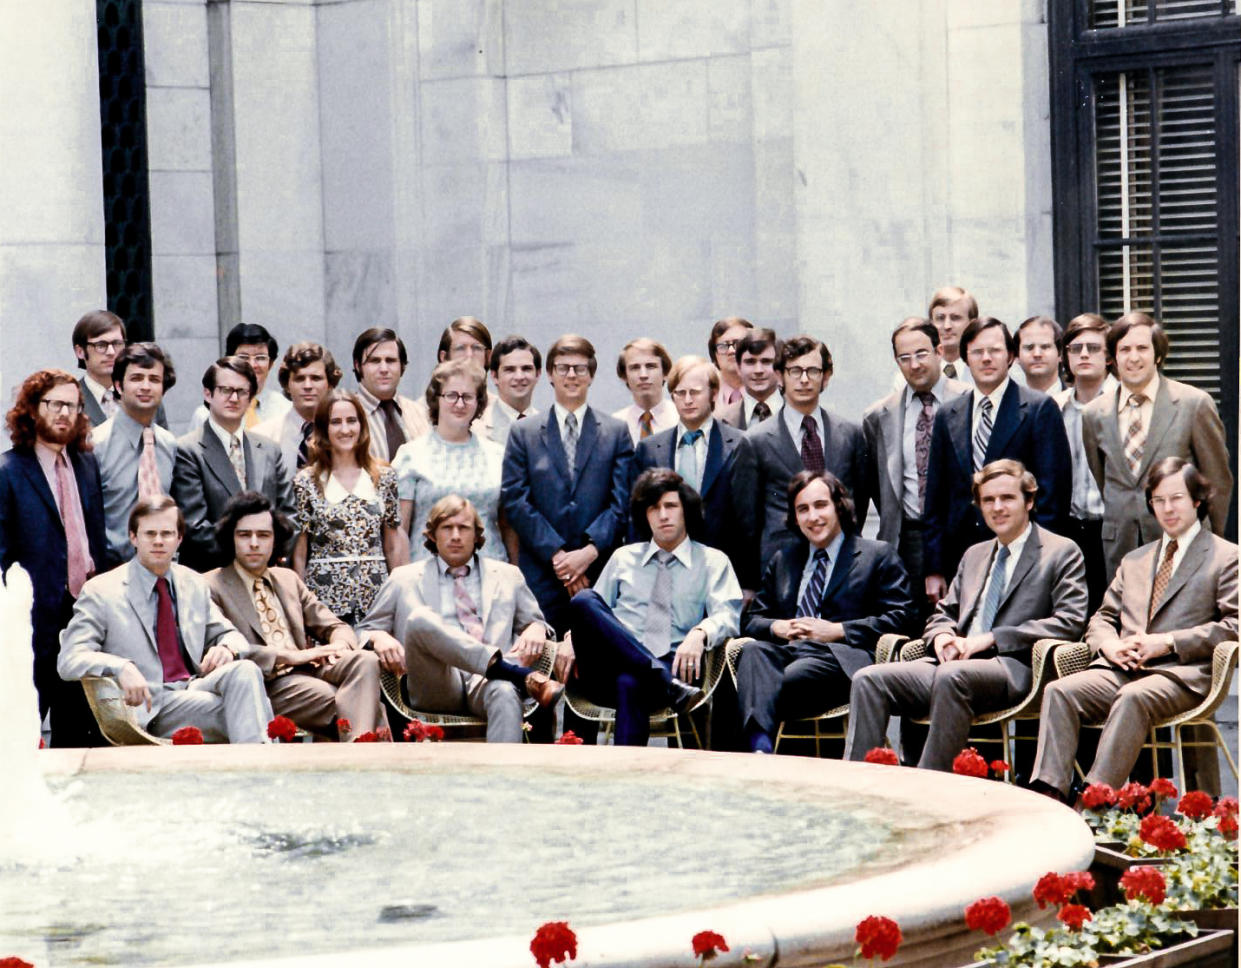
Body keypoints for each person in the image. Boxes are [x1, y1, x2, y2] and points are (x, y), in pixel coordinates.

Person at [844, 460, 1087, 770]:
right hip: (954, 662)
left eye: (1007, 498)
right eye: (988, 500)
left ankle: (929, 786)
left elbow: (1069, 621)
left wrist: (990, 639)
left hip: (1013, 667)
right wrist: (943, 636)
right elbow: (944, 612)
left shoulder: (1061, 551)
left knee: (951, 676)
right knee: (869, 679)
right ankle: (859, 786)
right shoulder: (975, 554)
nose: (997, 507)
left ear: (1029, 501)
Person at [1030, 458, 1237, 799]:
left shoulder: (1225, 556)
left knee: (1132, 697)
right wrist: (1110, 646)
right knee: (1060, 691)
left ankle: (1095, 802)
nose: (1167, 509)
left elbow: (1235, 626)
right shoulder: (1135, 560)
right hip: (1121, 668)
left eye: (1177, 498)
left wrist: (1167, 642)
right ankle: (1049, 797)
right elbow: (1101, 619)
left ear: (1197, 500)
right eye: (1158, 500)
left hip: (1181, 675)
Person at [58, 495, 273, 743]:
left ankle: (251, 769)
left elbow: (233, 636)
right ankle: (258, 773)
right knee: (257, 708)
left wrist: (227, 648)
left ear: (179, 539)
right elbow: (69, 659)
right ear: (133, 538)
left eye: (167, 534)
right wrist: (121, 667)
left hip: (193, 687)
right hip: (150, 705)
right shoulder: (102, 591)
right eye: (150, 534)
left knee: (245, 670)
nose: (159, 541)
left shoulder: (193, 583)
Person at [356, 495, 563, 742]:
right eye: (447, 528)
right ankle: (515, 674)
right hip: (435, 683)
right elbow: (365, 629)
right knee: (419, 619)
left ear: (477, 536)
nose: (455, 536)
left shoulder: (509, 576)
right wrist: (378, 637)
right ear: (432, 535)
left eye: (463, 528)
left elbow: (539, 624)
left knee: (506, 691)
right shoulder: (404, 579)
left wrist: (536, 627)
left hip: (486, 683)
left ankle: (507, 777)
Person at [735, 471, 913, 754]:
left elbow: (902, 616)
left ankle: (760, 743)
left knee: (771, 683)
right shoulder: (785, 560)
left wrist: (837, 631)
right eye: (802, 509)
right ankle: (761, 749)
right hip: (788, 651)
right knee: (753, 654)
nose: (812, 516)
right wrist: (778, 627)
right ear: (795, 518)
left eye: (820, 505)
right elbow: (751, 619)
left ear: (838, 507)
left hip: (841, 658)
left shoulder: (876, 555)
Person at [568, 469, 741, 746]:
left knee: (631, 681)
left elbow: (728, 615)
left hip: (676, 666)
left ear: (686, 510)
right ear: (644, 515)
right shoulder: (623, 558)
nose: (663, 515)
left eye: (670, 506)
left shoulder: (712, 561)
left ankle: (630, 777)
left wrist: (700, 633)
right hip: (610, 671)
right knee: (583, 600)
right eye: (653, 508)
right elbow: (594, 615)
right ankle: (660, 678)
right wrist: (569, 639)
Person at [206, 491, 389, 740]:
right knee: (354, 701)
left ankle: (357, 754)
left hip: (310, 671)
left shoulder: (287, 579)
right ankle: (363, 759)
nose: (254, 543)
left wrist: (339, 646)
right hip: (266, 683)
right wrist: (295, 656)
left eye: (263, 535)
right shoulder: (212, 584)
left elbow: (333, 624)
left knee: (366, 661)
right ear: (231, 538)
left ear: (275, 539)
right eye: (244, 535)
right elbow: (225, 648)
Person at [923, 317, 1072, 604]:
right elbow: (935, 498)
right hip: (960, 556)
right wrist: (934, 567)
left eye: (995, 351)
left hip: (1022, 554)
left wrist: (1041, 564)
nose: (987, 359)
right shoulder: (948, 414)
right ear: (966, 358)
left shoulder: (1039, 409)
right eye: (978, 352)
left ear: (1012, 356)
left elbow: (1053, 497)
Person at [0, 370, 108, 746]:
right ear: (32, 409)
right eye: (55, 404)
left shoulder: (86, 465)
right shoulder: (9, 471)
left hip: (84, 617)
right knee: (24, 731)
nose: (65, 413)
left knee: (80, 736)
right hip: (32, 621)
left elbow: (97, 539)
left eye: (73, 406)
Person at [500, 334, 633, 636]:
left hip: (598, 572)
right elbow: (515, 500)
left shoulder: (616, 431)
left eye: (580, 368)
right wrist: (559, 557)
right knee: (542, 662)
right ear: (548, 374)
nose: (571, 375)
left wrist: (587, 553)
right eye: (563, 368)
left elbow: (622, 502)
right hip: (542, 573)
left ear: (592, 375)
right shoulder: (524, 432)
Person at [1082, 312, 1232, 578]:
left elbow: (1217, 481)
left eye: (1142, 348)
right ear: (1113, 358)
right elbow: (1103, 476)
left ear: (1158, 355)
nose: (1133, 357)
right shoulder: (1095, 414)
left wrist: (1211, 539)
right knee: (1128, 617)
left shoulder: (1193, 403)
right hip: (1121, 547)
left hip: (1185, 543)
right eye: (1124, 349)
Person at [863, 318, 968, 611]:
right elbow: (877, 482)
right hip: (905, 540)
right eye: (904, 358)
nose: (914, 364)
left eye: (921, 354)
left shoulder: (968, 401)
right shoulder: (878, 416)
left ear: (939, 351)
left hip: (961, 537)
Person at [630, 355, 758, 588]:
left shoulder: (740, 444)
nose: (688, 400)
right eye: (680, 393)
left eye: (696, 392)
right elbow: (637, 521)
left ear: (713, 393)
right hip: (664, 569)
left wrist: (748, 582)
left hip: (723, 571)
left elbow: (749, 519)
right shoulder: (649, 449)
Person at [292, 390, 409, 624]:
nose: (345, 429)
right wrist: (300, 610)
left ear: (362, 425)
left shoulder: (383, 477)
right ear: (324, 428)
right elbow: (300, 551)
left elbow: (393, 545)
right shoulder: (306, 481)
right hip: (325, 600)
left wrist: (398, 601)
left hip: (375, 596)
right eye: (336, 422)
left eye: (351, 421)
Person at [749, 335, 868, 565]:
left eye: (812, 371)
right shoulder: (756, 440)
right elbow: (748, 518)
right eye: (795, 371)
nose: (804, 379)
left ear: (826, 377)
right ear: (779, 376)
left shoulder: (851, 434)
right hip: (781, 562)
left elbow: (859, 501)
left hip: (843, 561)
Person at [173, 358, 294, 570]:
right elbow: (194, 526)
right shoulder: (188, 450)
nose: (234, 398)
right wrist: (248, 552)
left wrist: (265, 552)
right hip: (213, 574)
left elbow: (289, 514)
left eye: (242, 391)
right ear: (208, 394)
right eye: (225, 390)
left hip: (267, 572)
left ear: (251, 398)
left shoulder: (269, 449)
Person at [392, 360, 509, 562]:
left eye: (468, 397)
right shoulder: (411, 455)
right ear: (436, 399)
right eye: (451, 395)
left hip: (489, 574)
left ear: (478, 403)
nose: (460, 404)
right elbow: (399, 531)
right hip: (428, 575)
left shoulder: (497, 455)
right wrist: (402, 582)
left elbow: (508, 526)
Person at [91, 342, 179, 567]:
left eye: (154, 379)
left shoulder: (168, 444)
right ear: (119, 386)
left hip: (162, 568)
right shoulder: (95, 444)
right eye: (137, 378)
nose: (146, 386)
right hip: (110, 571)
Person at [1053, 313, 1119, 612]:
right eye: (1075, 348)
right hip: (1067, 529)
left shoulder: (1124, 402)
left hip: (1112, 528)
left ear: (1108, 357)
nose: (1083, 354)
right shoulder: (1055, 407)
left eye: (1093, 348)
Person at [253, 341, 343, 473]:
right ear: (287, 386)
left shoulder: (346, 433)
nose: (307, 386)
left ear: (329, 384)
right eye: (299, 379)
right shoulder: (262, 436)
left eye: (316, 378)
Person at [71, 309, 168, 428]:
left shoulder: (145, 393)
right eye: (101, 345)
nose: (111, 352)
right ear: (80, 351)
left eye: (117, 344)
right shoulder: (70, 399)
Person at [189, 323, 292, 430]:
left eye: (260, 358)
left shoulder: (286, 410)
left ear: (270, 364)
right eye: (243, 357)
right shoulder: (206, 415)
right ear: (229, 362)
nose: (252, 365)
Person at [352, 327, 429, 463]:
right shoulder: (344, 417)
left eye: (390, 360)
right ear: (358, 366)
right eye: (374, 361)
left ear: (402, 366)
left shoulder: (420, 414)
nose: (384, 369)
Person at [612, 338, 677, 444]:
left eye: (651, 366)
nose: (643, 375)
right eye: (635, 368)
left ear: (665, 373)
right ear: (624, 376)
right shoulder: (615, 426)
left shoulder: (680, 419)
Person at [716, 328, 783, 430]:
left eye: (766, 362)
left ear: (779, 367)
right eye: (750, 362)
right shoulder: (718, 422)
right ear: (738, 368)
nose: (758, 370)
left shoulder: (800, 414)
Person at [478, 336, 541, 445]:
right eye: (509, 370)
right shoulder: (476, 429)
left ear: (538, 374)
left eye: (526, 369)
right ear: (494, 377)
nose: (519, 377)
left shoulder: (551, 428)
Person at [927, 286, 978, 384]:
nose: (947, 326)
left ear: (972, 324)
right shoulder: (913, 374)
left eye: (955, 318)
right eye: (940, 318)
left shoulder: (987, 372)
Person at [707, 316, 753, 413]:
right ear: (714, 355)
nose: (731, 350)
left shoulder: (773, 393)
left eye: (738, 344)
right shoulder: (704, 398)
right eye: (723, 346)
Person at [1016, 315, 1065, 395]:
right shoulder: (1004, 405)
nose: (1037, 354)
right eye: (1029, 347)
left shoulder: (1079, 403)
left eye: (1045, 347)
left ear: (1060, 354)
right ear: (1016, 356)